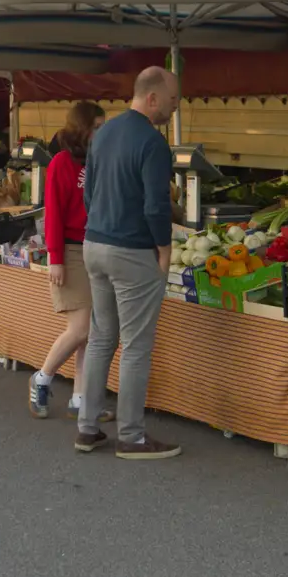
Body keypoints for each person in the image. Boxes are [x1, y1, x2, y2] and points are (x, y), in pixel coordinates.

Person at [76, 66, 182, 460]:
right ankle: (132, 437)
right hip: (132, 252)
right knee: (136, 346)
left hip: (94, 245)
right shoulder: (153, 144)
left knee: (102, 337)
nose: (173, 110)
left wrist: (100, 224)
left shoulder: (102, 134)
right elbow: (156, 206)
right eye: (172, 102)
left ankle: (87, 428)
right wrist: (164, 248)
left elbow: (89, 191)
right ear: (152, 98)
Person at [29, 101, 111, 420]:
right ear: (83, 128)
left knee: (91, 331)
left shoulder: (101, 160)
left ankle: (81, 398)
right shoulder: (62, 162)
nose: (103, 132)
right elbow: (54, 213)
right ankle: (42, 377)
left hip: (97, 248)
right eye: (98, 127)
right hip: (71, 251)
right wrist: (56, 258)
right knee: (80, 328)